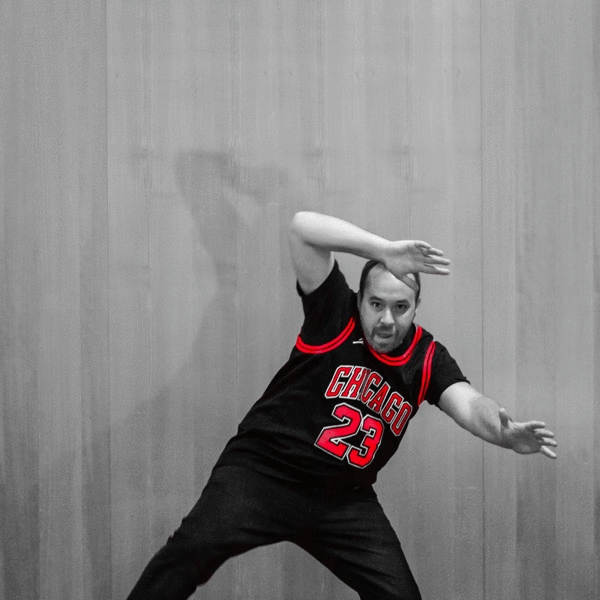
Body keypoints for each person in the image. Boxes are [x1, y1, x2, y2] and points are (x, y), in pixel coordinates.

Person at [126, 211, 557, 600]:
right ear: (359, 300)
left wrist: (503, 433)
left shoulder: (427, 358)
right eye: (376, 304)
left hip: (343, 501)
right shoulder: (334, 314)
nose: (386, 320)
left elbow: (471, 403)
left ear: (416, 308)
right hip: (261, 474)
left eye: (401, 307)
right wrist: (383, 250)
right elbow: (302, 228)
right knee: (188, 554)